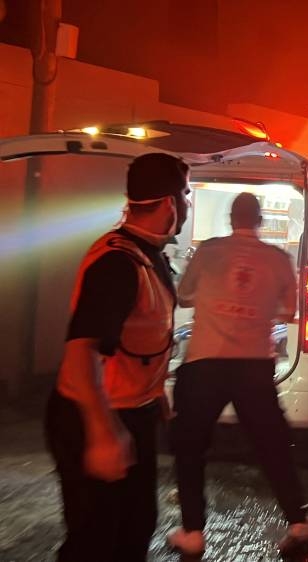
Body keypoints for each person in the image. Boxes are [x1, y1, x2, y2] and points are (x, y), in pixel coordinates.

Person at [166, 193, 308, 555]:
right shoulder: (278, 259)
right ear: (259, 220)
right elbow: (288, 311)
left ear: (231, 218)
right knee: (272, 445)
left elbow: (184, 296)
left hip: (205, 363)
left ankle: (193, 532)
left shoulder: (209, 251)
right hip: (253, 366)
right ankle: (299, 521)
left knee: (190, 446)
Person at [44, 153, 190, 561]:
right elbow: (79, 356)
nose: (188, 203)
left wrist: (155, 391)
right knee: (95, 541)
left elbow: (142, 336)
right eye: (187, 194)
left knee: (136, 525)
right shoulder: (118, 263)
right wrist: (103, 432)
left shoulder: (149, 254)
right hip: (94, 416)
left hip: (132, 411)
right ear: (168, 204)